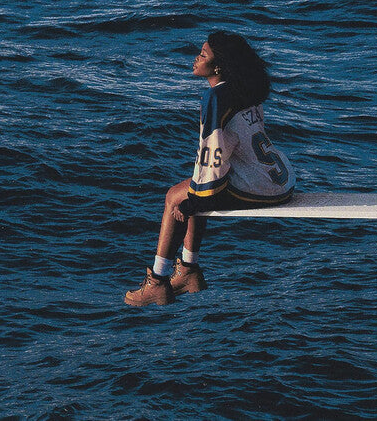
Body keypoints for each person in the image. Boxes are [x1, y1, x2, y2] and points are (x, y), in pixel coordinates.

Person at [124, 31, 296, 307]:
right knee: (195, 188)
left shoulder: (216, 98)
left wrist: (195, 202)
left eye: (203, 55)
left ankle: (158, 282)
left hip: (259, 188)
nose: (196, 58)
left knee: (175, 197)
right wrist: (198, 195)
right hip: (280, 181)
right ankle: (188, 270)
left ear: (218, 67)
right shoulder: (245, 89)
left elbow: (212, 152)